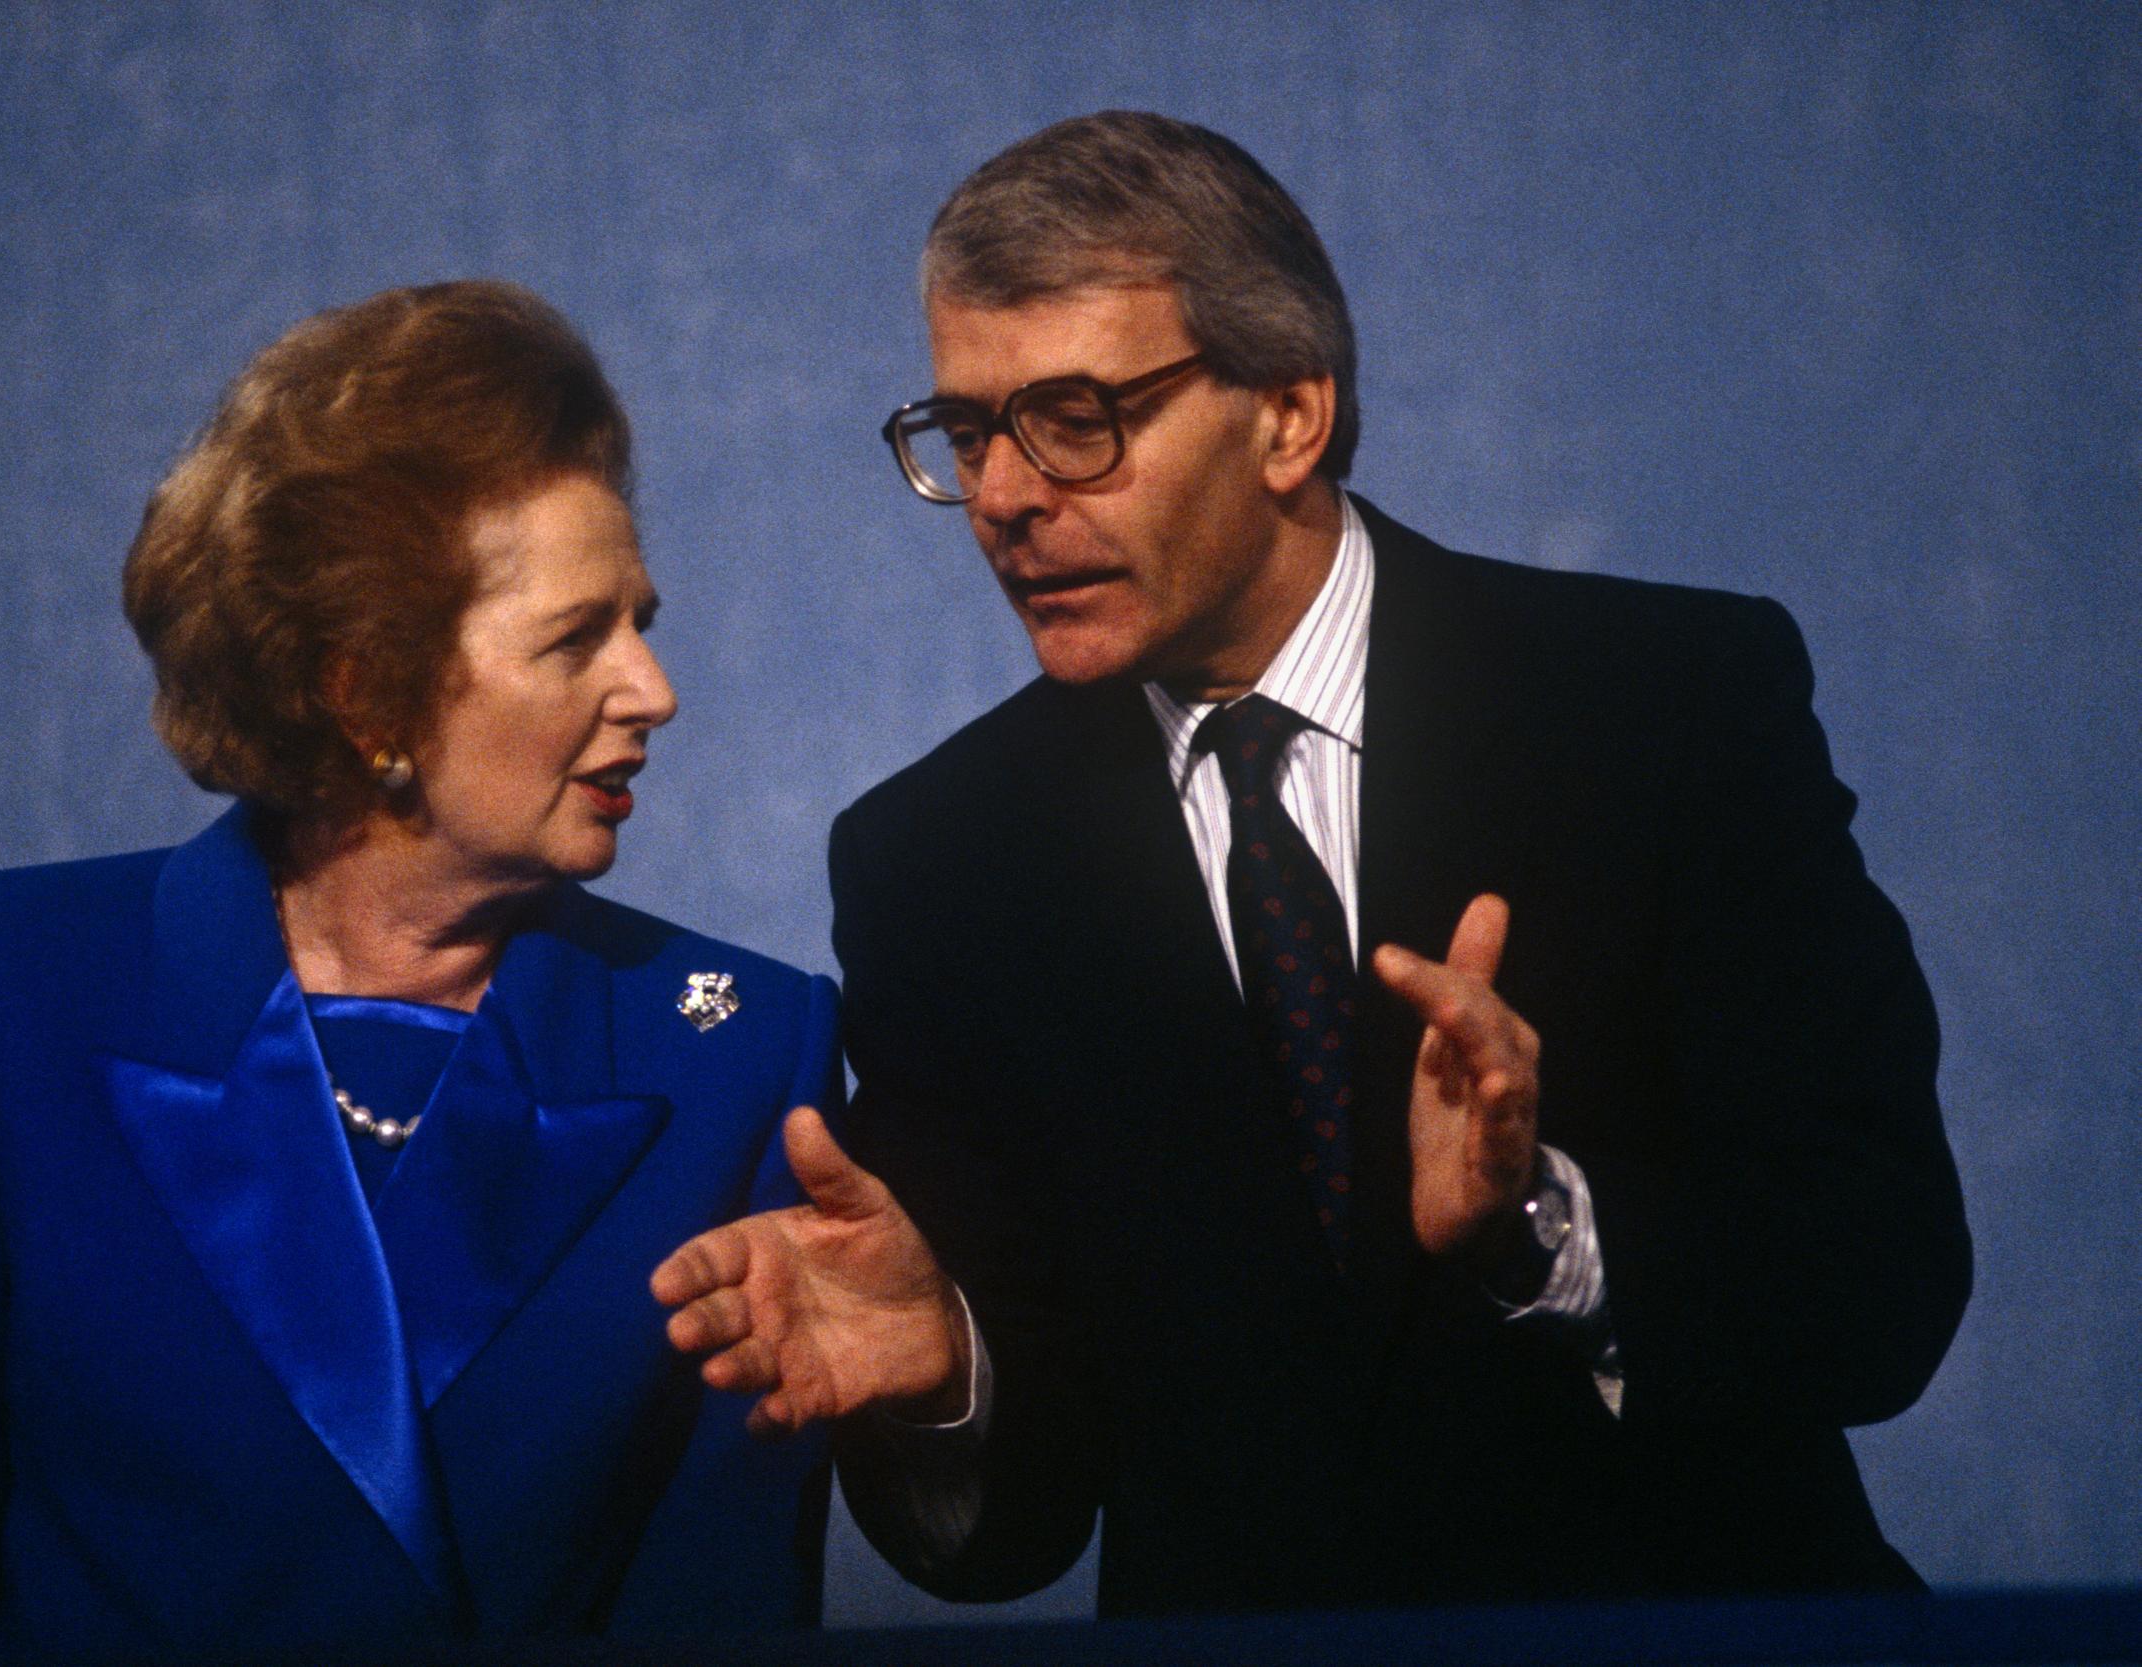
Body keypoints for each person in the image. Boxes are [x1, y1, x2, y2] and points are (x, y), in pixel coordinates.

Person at [654, 112, 1971, 1615]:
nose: (1008, 497)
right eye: (967, 432)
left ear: (1288, 414)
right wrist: (951, 1367)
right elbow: (1013, 1532)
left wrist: (1539, 1225)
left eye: (1075, 416)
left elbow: (1883, 1284)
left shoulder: (1665, 705)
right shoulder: (941, 864)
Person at [0, 281, 842, 1662]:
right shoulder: (2, 990)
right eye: (579, 636)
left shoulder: (742, 1049)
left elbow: (725, 1616)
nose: (654, 691)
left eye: (641, 621)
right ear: (367, 692)